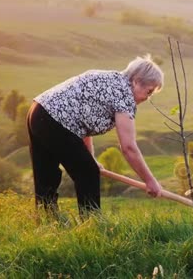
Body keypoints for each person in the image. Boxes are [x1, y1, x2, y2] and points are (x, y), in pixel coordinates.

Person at [26, 54, 164, 218]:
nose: (147, 98)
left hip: (38, 112)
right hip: (56, 120)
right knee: (88, 174)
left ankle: (46, 222)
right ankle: (92, 225)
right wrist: (150, 180)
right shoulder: (124, 96)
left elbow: (84, 123)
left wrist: (90, 157)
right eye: (148, 92)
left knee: (46, 174)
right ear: (136, 81)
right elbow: (128, 147)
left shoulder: (110, 79)